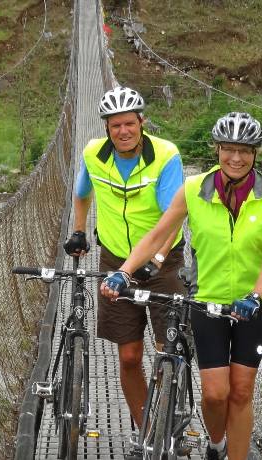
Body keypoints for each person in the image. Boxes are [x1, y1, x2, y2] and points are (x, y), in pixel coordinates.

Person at [101, 112, 262, 460]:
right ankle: (216, 442)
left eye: (245, 150)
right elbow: (157, 234)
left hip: (255, 306)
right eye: (228, 149)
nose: (236, 158)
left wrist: (255, 295)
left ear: (256, 153)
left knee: (242, 390)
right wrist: (124, 271)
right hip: (205, 303)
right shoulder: (194, 189)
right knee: (216, 393)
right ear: (216, 150)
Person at [63, 86, 185, 430]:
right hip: (115, 261)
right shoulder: (93, 155)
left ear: (142, 122)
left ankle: (167, 418)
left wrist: (157, 258)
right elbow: (82, 192)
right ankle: (147, 430)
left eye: (129, 123)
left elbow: (172, 217)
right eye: (115, 126)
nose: (123, 131)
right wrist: (79, 230)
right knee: (129, 356)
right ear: (106, 127)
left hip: (163, 263)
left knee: (167, 352)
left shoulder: (165, 155)